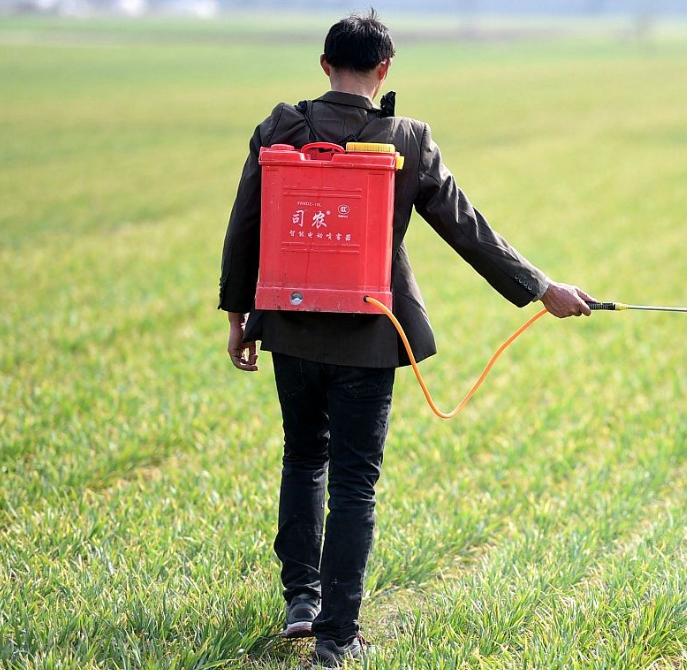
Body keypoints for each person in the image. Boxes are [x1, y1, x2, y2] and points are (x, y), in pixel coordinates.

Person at [218, 11, 594, 668]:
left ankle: (302, 601)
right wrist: (542, 288)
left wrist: (239, 315)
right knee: (355, 484)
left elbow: (245, 222)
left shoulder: (281, 127)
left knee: (304, 458)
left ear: (324, 64)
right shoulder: (407, 139)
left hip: (292, 327)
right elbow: (467, 229)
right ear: (386, 69)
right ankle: (337, 637)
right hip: (370, 334)